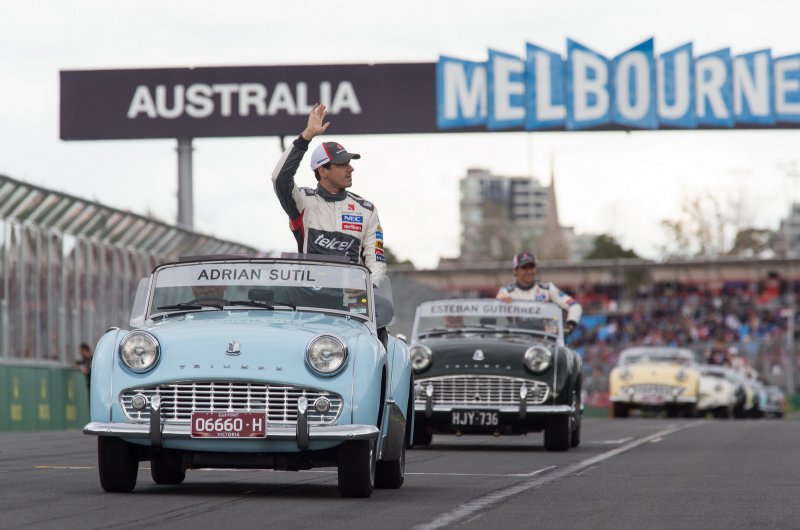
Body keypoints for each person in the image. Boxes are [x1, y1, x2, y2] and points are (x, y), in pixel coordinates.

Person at [272, 103, 386, 284]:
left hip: (351, 296)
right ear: (322, 170)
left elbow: (376, 261)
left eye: (349, 163)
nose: (350, 169)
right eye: (342, 164)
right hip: (310, 295)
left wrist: (369, 289)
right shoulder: (303, 202)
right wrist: (306, 137)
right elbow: (279, 179)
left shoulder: (366, 210)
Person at [496, 251, 582, 335]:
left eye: (531, 267)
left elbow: (574, 306)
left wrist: (570, 325)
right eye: (524, 267)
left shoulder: (547, 288)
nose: (529, 271)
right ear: (515, 271)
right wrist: (501, 303)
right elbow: (495, 314)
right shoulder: (506, 292)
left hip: (546, 338)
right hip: (518, 338)